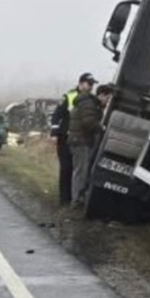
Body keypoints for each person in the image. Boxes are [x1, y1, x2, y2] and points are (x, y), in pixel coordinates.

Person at [50, 73, 96, 206]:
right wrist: (55, 133)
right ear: (81, 83)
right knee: (66, 168)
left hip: (78, 139)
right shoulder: (69, 96)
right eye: (89, 84)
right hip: (64, 138)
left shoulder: (90, 99)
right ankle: (64, 199)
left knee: (78, 169)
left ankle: (75, 197)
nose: (91, 87)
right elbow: (56, 115)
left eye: (92, 84)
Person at [68, 80, 108, 207]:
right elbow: (89, 122)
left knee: (80, 170)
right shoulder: (89, 104)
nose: (108, 101)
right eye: (108, 98)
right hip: (81, 141)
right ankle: (76, 199)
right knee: (81, 171)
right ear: (102, 95)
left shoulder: (89, 103)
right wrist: (102, 128)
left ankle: (78, 197)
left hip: (78, 139)